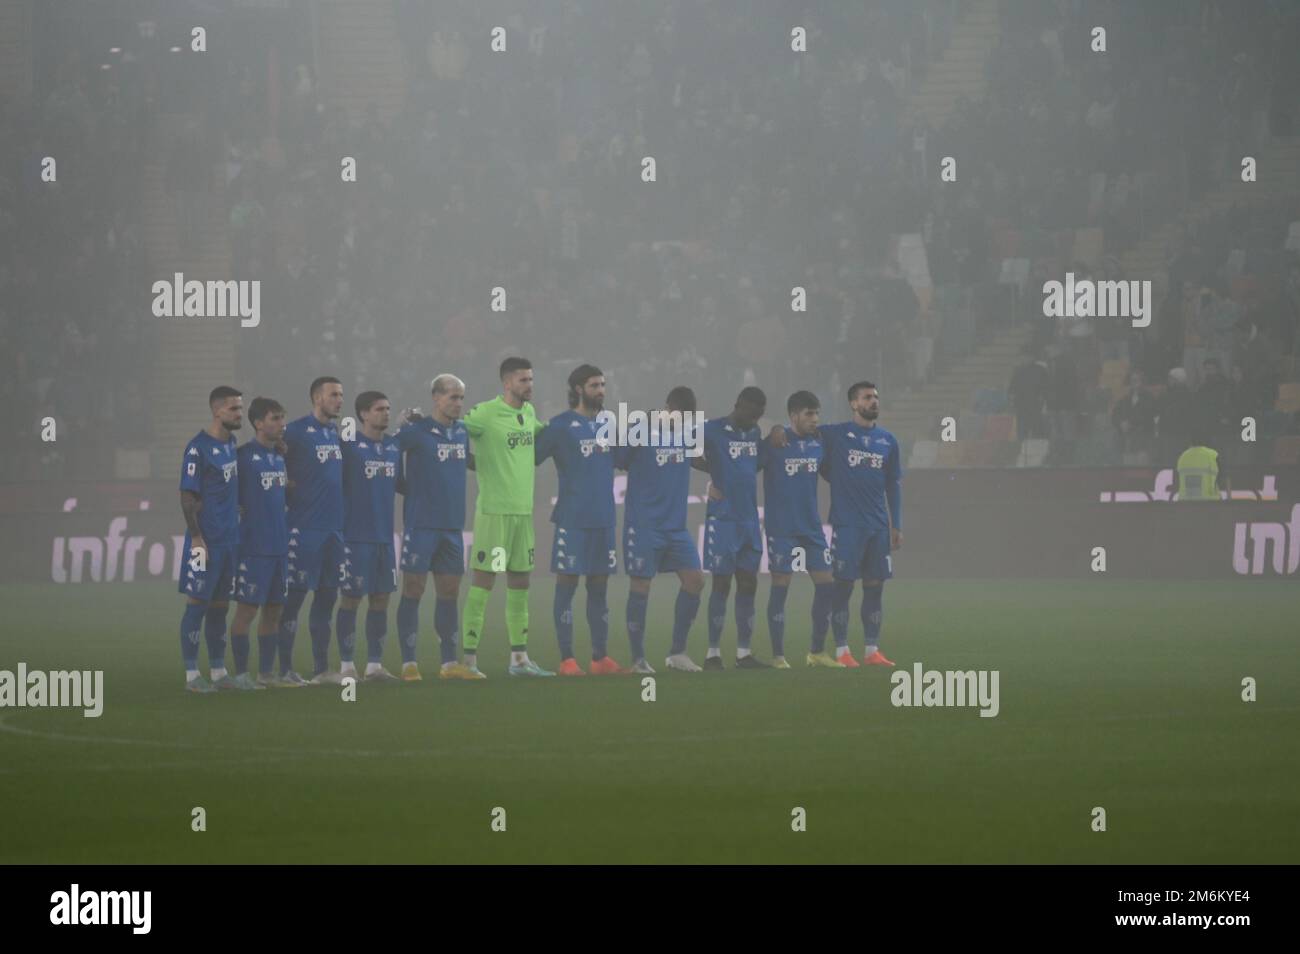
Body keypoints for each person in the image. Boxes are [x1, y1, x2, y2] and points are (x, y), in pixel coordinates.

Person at [461, 357, 553, 676]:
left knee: (520, 583)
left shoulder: (528, 413)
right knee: (484, 583)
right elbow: (454, 431)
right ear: (507, 383)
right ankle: (469, 661)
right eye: (524, 380)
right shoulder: (485, 413)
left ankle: (519, 660)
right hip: (495, 513)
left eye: (531, 379)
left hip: (522, 514)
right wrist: (474, 463)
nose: (529, 385)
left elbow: (548, 435)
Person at [536, 364, 628, 675]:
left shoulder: (608, 425)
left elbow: (625, 460)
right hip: (572, 518)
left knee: (599, 587)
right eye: (594, 385)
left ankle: (600, 657)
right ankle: (567, 659)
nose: (601, 390)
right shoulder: (559, 426)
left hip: (604, 518)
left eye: (603, 385)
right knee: (567, 584)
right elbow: (530, 458)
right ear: (578, 389)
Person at [393, 374, 479, 680]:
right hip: (421, 525)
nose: (458, 404)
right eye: (452, 397)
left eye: (461, 398)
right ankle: (409, 664)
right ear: (436, 398)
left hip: (453, 526)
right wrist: (405, 486)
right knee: (413, 589)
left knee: (449, 592)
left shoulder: (463, 432)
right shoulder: (415, 431)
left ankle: (448, 664)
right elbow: (387, 454)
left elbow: (468, 462)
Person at [615, 387, 706, 673]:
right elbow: (618, 458)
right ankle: (638, 659)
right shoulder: (641, 430)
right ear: (666, 407)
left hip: (675, 527)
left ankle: (677, 653)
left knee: (695, 581)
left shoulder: (687, 434)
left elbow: (701, 459)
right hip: (644, 525)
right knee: (641, 585)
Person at [817, 381, 902, 667]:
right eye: (867, 397)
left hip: (878, 526)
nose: (874, 401)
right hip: (848, 525)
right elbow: (802, 433)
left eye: (876, 397)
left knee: (875, 586)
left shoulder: (888, 441)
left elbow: (893, 485)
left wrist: (896, 524)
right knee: (843, 586)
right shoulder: (835, 434)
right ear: (854, 403)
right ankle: (842, 651)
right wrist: (779, 432)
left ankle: (871, 650)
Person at [759, 391, 838, 669]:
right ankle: (779, 656)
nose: (815, 419)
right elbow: (747, 467)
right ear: (793, 416)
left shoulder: (820, 443)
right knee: (781, 587)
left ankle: (816, 652)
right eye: (809, 414)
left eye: (817, 414)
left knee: (827, 586)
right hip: (781, 528)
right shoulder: (774, 443)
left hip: (811, 527)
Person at [697, 387, 771, 669]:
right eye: (752, 413)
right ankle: (712, 653)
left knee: (749, 583)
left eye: (760, 415)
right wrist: (712, 476)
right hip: (723, 519)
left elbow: (754, 464)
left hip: (749, 520)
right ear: (738, 405)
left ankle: (743, 653)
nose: (755, 419)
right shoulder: (711, 429)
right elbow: (686, 452)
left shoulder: (753, 434)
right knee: (721, 583)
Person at [280, 376, 346, 686]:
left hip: (334, 529)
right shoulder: (294, 432)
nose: (339, 400)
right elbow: (269, 459)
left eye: (341, 395)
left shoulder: (334, 432)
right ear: (317, 398)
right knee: (292, 600)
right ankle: (283, 669)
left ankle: (321, 668)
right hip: (303, 528)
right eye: (334, 395)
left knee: (327, 597)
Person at [177, 386, 243, 693]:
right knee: (197, 605)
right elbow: (187, 496)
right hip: (205, 543)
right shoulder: (197, 448)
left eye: (240, 408)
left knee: (220, 608)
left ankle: (218, 670)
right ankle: (192, 674)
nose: (239, 414)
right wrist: (196, 537)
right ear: (217, 411)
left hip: (230, 542)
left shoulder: (231, 443)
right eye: (233, 409)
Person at [337, 391, 402, 683]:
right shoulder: (349, 447)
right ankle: (347, 664)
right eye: (379, 409)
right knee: (351, 599)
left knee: (381, 600)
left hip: (385, 539)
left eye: (388, 409)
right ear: (363, 414)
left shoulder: (392, 446)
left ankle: (374, 665)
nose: (385, 414)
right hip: (355, 537)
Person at [231, 397, 295, 689]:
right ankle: (242, 674)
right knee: (246, 611)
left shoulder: (279, 457)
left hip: (279, 548)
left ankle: (266, 674)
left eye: (282, 418)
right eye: (275, 418)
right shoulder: (243, 457)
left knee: (274, 611)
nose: (281, 424)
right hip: (253, 549)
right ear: (258, 423)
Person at [1176, 435, 1229, 501]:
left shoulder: (1183, 456)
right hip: (1209, 502)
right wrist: (1228, 499)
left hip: (1185, 502)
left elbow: (1177, 483)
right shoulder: (1213, 455)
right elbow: (1225, 478)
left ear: (1190, 443)